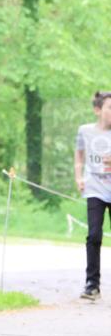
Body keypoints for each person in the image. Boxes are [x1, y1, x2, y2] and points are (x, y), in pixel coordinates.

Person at [75, 90, 111, 301]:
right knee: (94, 234)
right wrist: (79, 177)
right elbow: (79, 156)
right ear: (98, 110)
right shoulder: (85, 131)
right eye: (110, 108)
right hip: (95, 189)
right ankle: (92, 285)